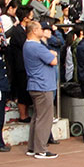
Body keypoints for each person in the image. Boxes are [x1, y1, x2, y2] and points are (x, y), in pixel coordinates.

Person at [22, 21, 59, 159]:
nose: (42, 30)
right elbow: (53, 60)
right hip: (43, 86)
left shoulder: (28, 45)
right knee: (44, 118)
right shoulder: (35, 46)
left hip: (36, 85)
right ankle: (41, 149)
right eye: (40, 29)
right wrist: (53, 54)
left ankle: (33, 147)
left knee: (37, 117)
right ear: (34, 31)